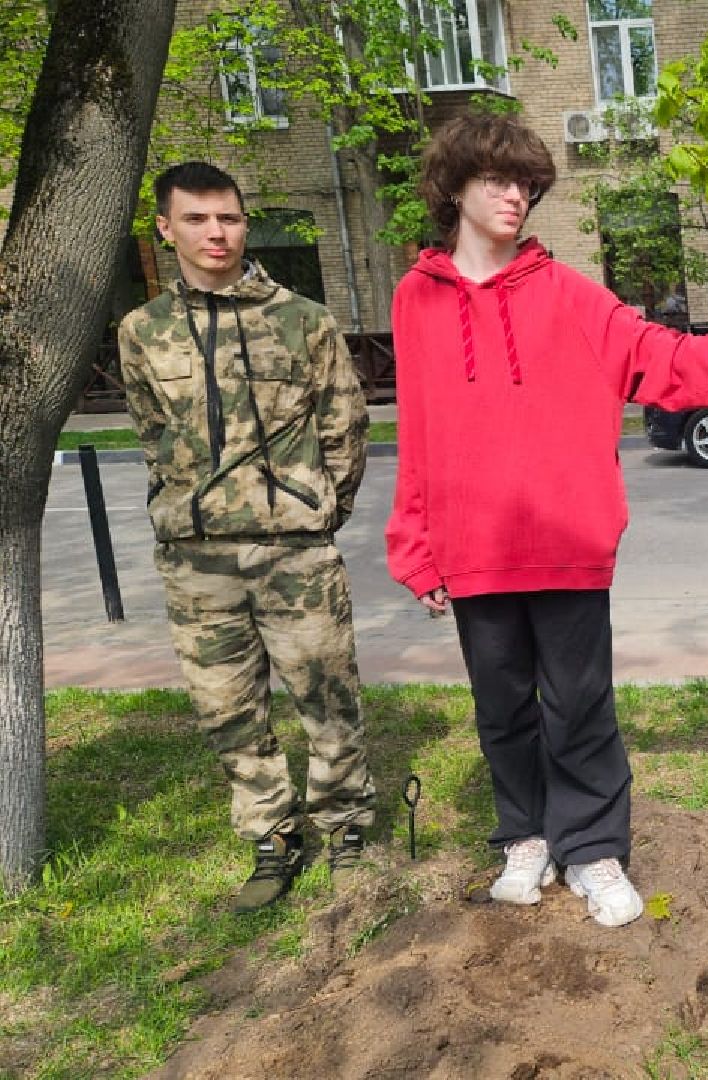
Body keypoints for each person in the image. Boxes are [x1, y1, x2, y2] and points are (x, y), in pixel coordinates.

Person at [385, 112, 708, 927]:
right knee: (501, 710)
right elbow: (416, 428)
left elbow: (670, 362)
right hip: (473, 545)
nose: (516, 195)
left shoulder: (569, 296)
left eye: (526, 183)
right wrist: (415, 546)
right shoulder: (415, 299)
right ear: (453, 187)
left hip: (566, 542)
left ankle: (592, 848)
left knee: (580, 705)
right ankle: (526, 835)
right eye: (497, 179)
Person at [119, 161, 375, 911]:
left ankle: (344, 823)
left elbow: (345, 429)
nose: (216, 233)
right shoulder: (142, 332)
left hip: (293, 549)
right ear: (166, 230)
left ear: (244, 222)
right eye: (196, 220)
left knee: (325, 692)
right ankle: (273, 835)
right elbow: (151, 434)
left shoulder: (305, 320)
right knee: (226, 705)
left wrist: (318, 511)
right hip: (197, 559)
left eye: (227, 217)